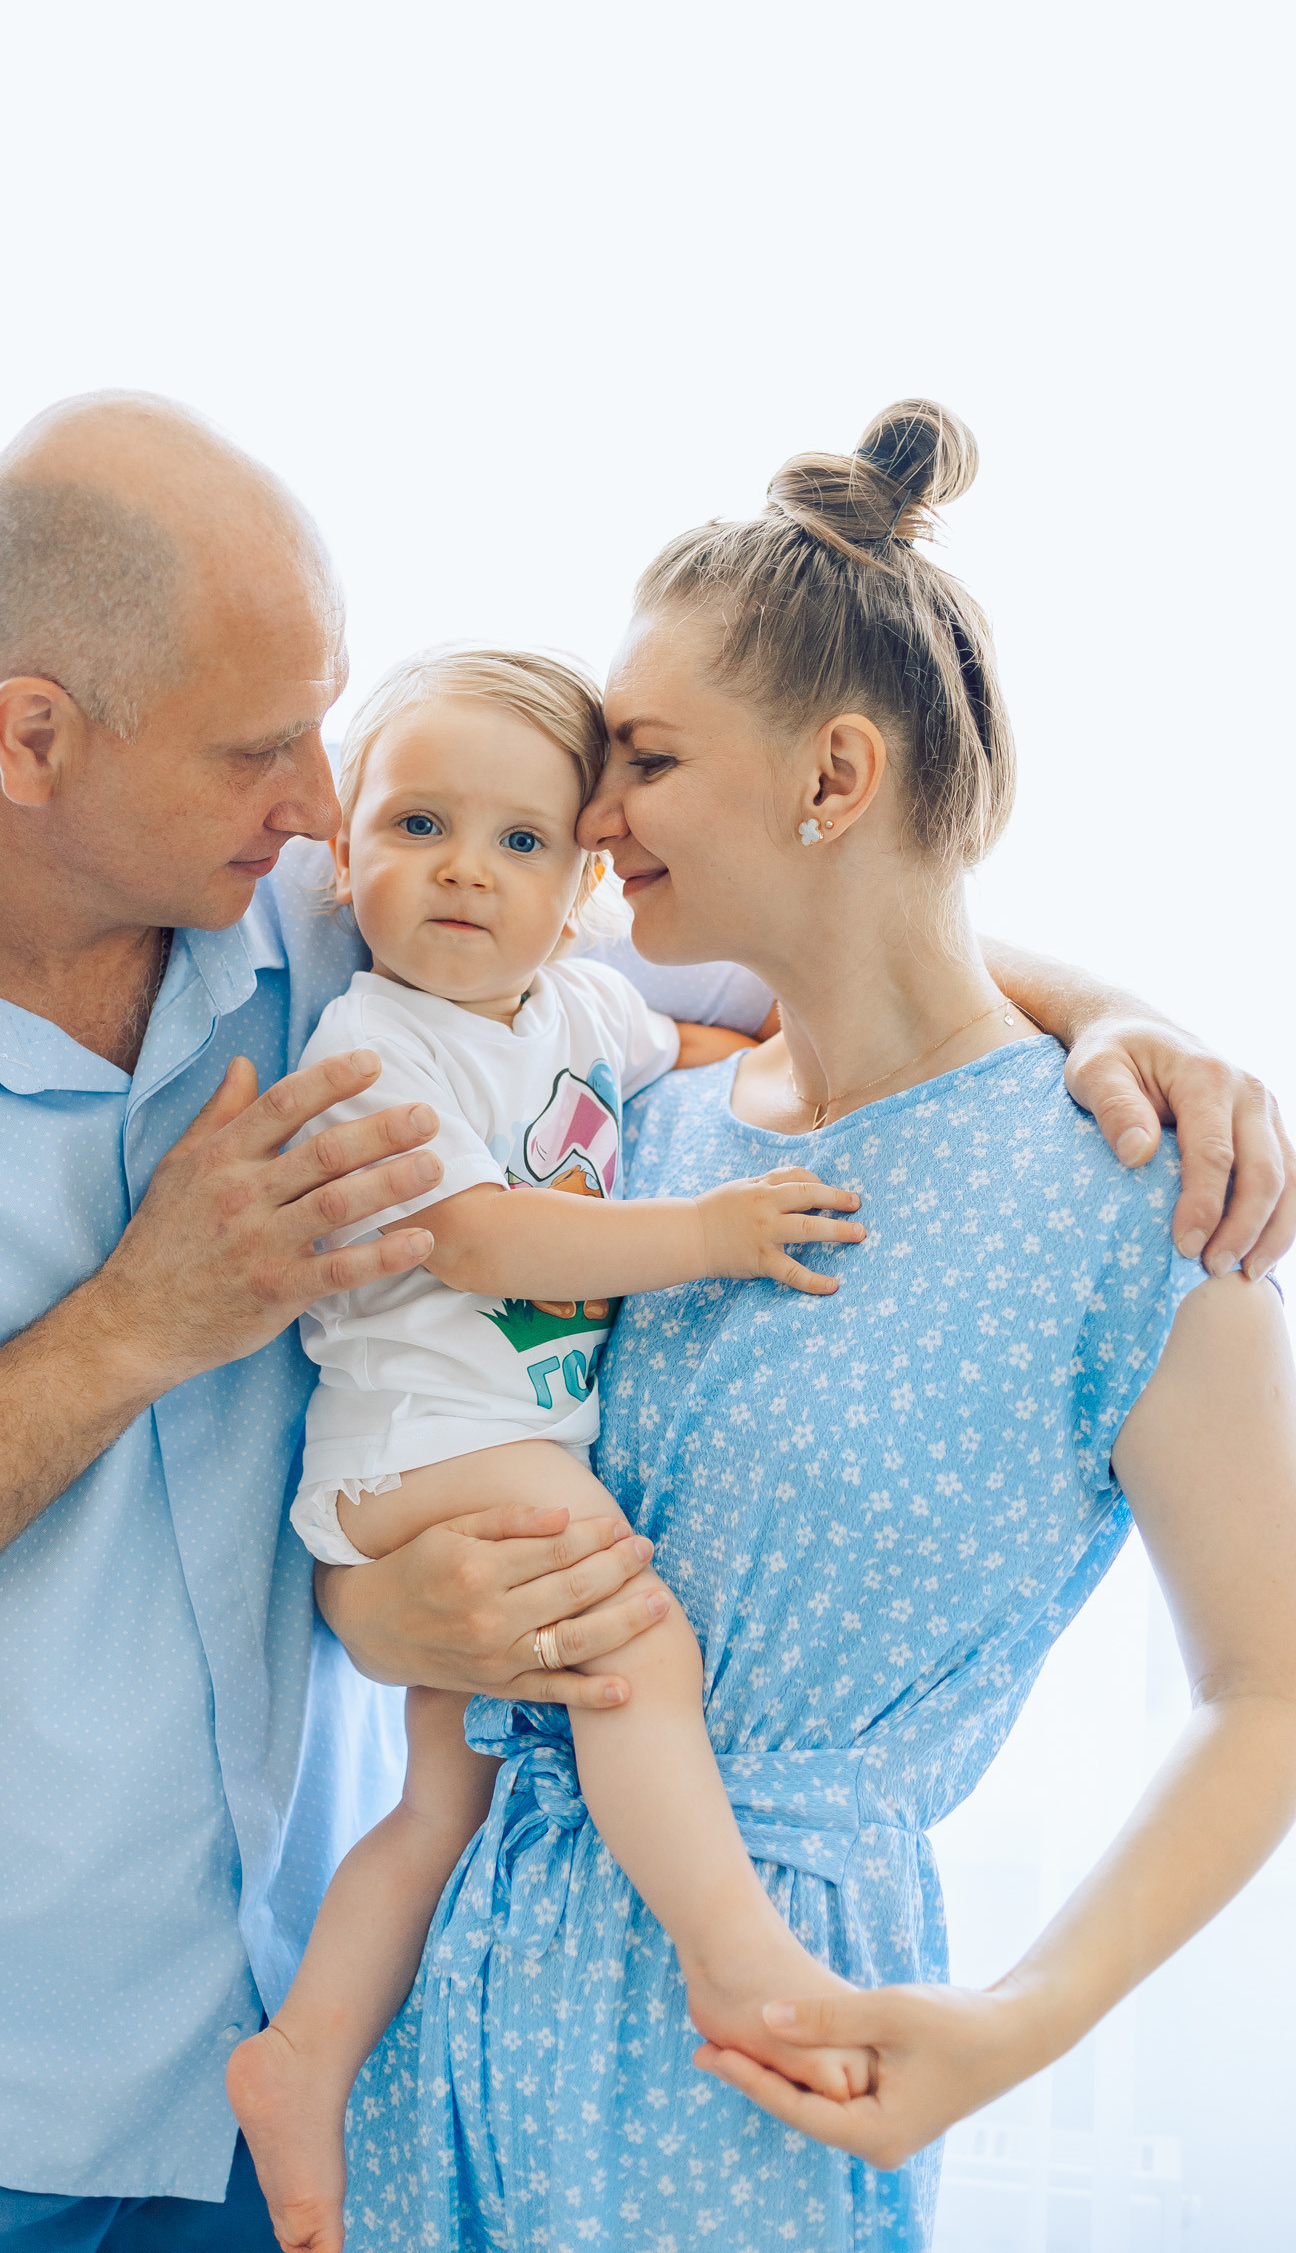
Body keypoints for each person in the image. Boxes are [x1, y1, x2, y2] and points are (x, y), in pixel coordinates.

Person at [0, 392, 1285, 2251]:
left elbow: (806, 939)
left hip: (348, 2037)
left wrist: (1129, 1026)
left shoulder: (338, 914)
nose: (319, 800)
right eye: (262, 751)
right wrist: (140, 1324)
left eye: (328, 732)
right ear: (38, 736)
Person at [332, 401, 1296, 2251]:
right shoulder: (632, 1126)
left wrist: (1024, 2023)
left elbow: (1265, 1691)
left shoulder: (1136, 1199)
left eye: (647, 760)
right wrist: (371, 1611)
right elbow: (432, 1426)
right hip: (452, 2022)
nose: (591, 822)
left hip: (757, 2062)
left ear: (832, 780)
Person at [227, 646, 872, 2252]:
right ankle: (733, 1948)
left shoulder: (584, 1002)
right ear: (344, 851)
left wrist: (815, 1080)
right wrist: (711, 1230)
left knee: (440, 1804)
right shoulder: (370, 1040)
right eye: (418, 824)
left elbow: (725, 1047)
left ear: (585, 879)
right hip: (421, 1442)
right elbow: (474, 1241)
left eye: (520, 842)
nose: (464, 869)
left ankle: (303, 2058)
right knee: (629, 1635)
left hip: (483, 1441)